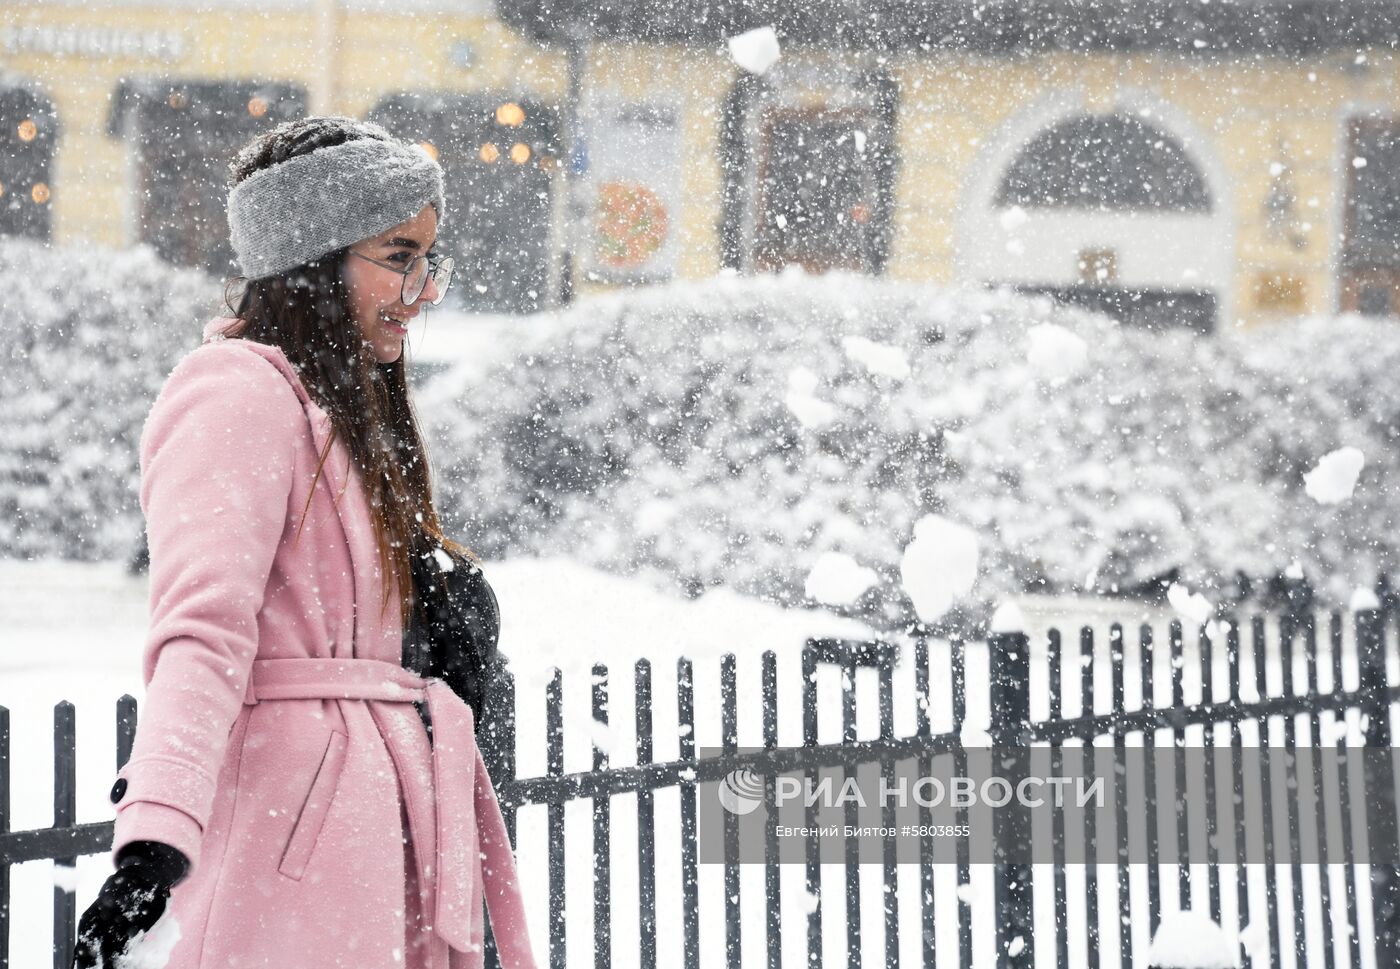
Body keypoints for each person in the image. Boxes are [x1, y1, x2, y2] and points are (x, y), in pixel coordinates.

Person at [72, 116, 536, 969]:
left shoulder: (346, 410)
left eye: (428, 260)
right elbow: (202, 631)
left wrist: (425, 629)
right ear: (310, 260)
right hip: (290, 859)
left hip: (366, 842)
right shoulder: (236, 393)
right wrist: (154, 843)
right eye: (399, 257)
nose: (424, 290)